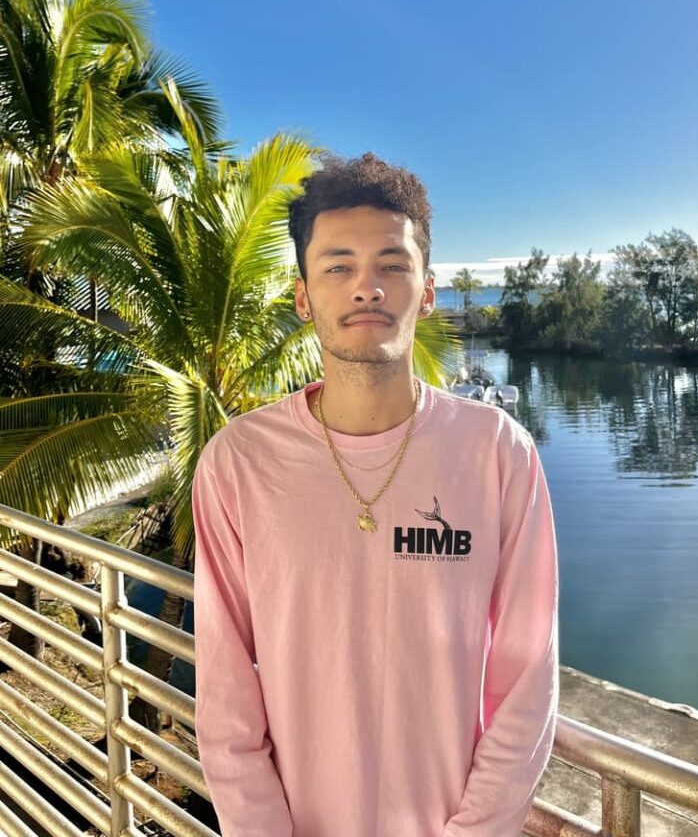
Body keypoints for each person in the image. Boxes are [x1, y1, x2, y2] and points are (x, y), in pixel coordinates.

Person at [191, 152, 559, 837]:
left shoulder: (498, 454)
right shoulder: (237, 465)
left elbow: (527, 675)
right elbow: (225, 693)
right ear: (304, 297)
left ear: (426, 291)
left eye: (392, 265)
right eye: (338, 267)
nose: (367, 288)